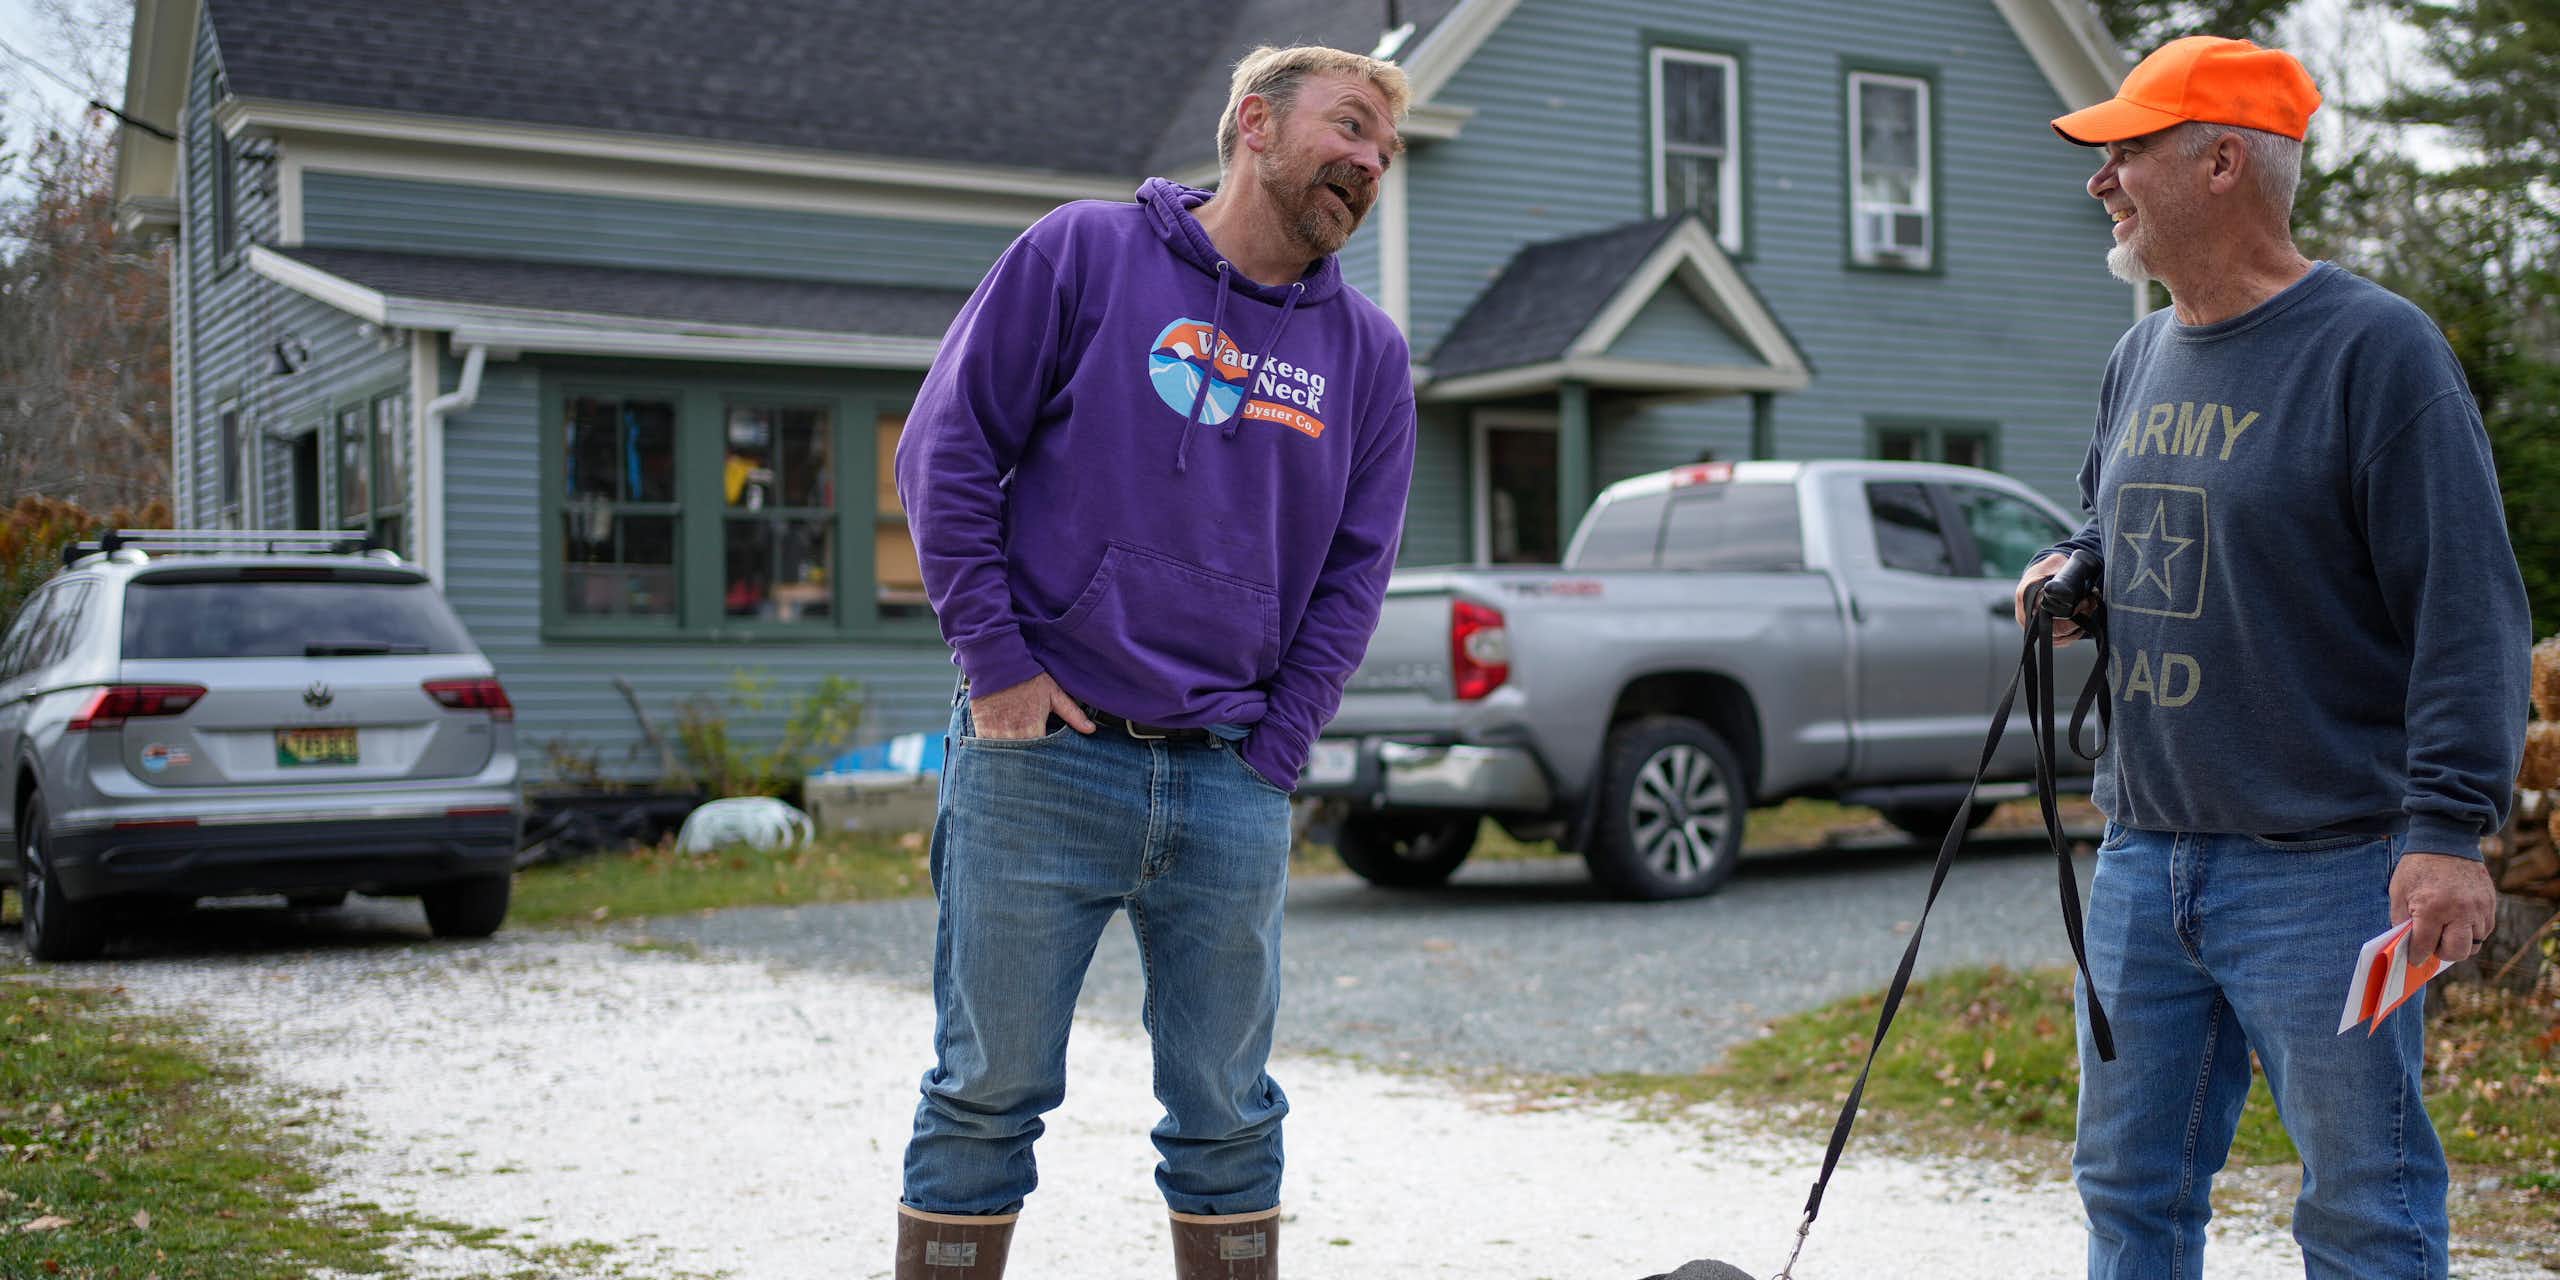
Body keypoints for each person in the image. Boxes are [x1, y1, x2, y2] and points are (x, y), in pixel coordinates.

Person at [889, 44, 1415, 1280]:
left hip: (1229, 775)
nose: (1368, 164)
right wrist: (1000, 667)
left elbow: (1355, 574)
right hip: (1042, 760)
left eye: (1385, 152)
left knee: (1229, 1114)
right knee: (986, 1093)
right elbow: (944, 452)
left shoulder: (1369, 358)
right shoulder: (1085, 255)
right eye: (1347, 129)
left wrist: (1279, 747)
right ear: (1252, 123)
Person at [2016, 35, 2531, 1280]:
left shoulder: (2378, 352)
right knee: (2128, 1190)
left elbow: (2468, 611)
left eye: (2125, 152)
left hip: (2330, 868)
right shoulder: (2136, 355)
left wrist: (2448, 830)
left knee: (2363, 1207)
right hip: (2146, 851)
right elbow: (2110, 520)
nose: (2102, 181)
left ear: (2220, 163)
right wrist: (2074, 578)